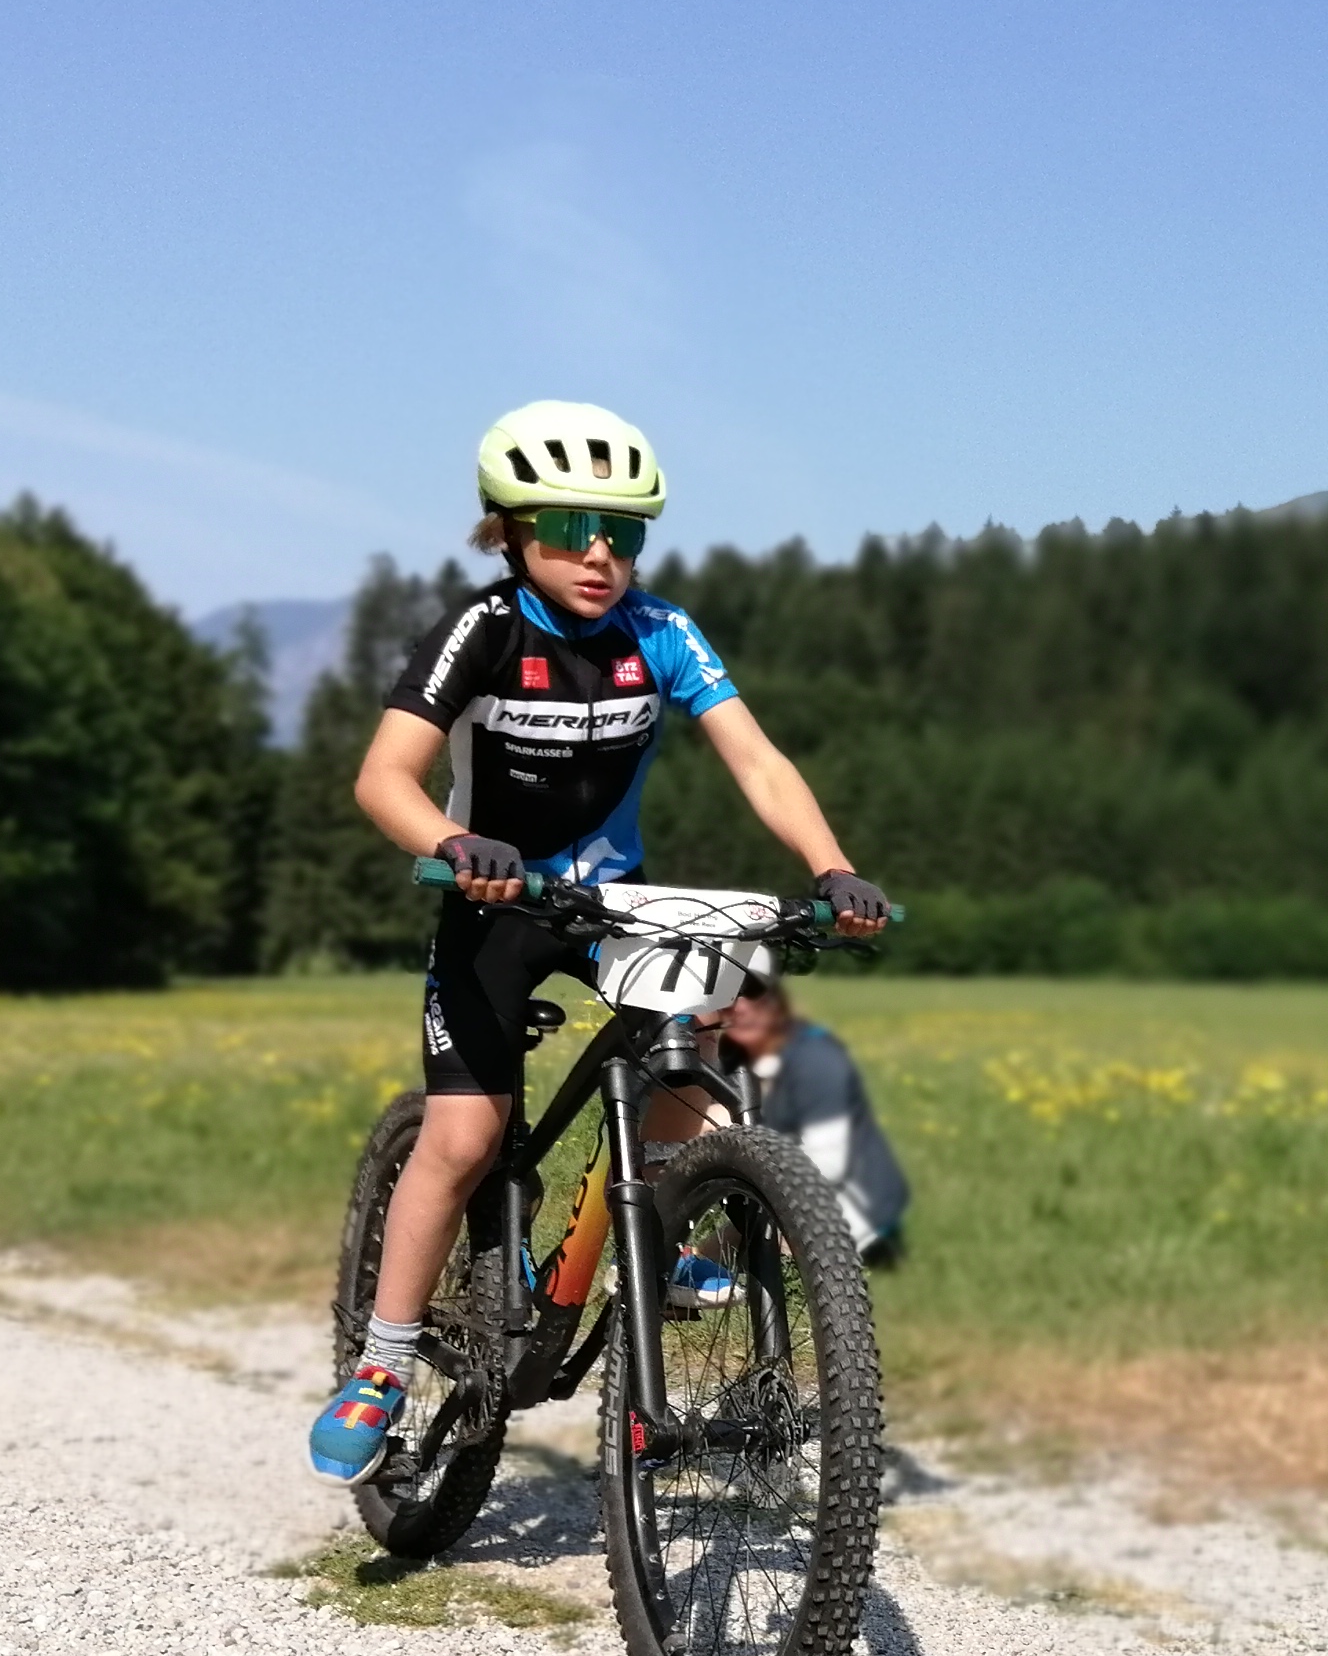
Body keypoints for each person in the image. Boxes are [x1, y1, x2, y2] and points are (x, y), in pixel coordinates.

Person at [309, 400, 892, 1483]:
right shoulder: (484, 631)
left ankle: (654, 1231)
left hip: (611, 903)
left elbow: (758, 761)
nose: (600, 555)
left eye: (623, 532)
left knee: (705, 1015)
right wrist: (453, 842)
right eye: (574, 527)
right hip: (494, 904)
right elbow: (383, 778)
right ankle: (383, 1363)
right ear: (511, 531)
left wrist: (831, 867)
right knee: (465, 1139)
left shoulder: (661, 632)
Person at [721, 978, 911, 1264]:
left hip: (858, 1213)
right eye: (729, 998)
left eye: (753, 996)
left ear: (777, 1006)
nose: (740, 1008)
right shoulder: (739, 1058)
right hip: (795, 1191)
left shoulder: (816, 1058)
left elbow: (829, 1163)